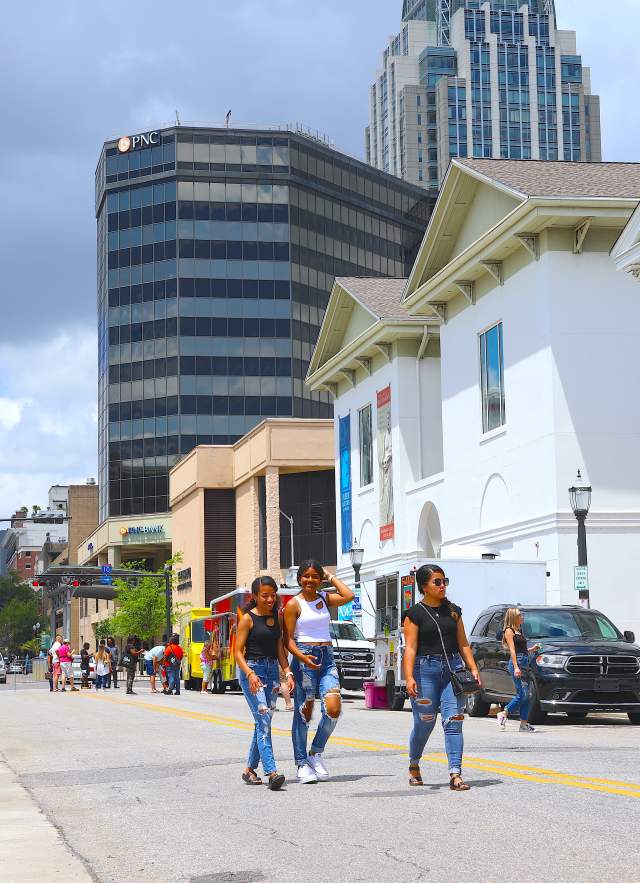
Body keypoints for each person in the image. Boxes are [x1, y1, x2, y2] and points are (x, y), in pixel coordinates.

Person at [403, 564, 481, 791]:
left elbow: (463, 643)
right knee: (424, 723)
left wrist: (473, 668)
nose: (442, 586)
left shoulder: (454, 611)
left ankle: (455, 774)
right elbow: (410, 649)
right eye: (437, 582)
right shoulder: (414, 614)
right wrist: (409, 677)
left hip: (452, 671)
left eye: (444, 581)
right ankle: (414, 764)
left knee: (454, 722)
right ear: (424, 586)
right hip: (424, 670)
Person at [284, 559, 354, 784]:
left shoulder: (324, 598)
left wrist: (329, 575)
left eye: (315, 576)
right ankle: (301, 763)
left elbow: (348, 595)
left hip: (327, 657)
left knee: (333, 708)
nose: (310, 580)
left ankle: (315, 753)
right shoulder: (294, 604)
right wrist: (301, 657)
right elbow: (287, 639)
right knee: (304, 713)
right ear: (299, 579)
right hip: (305, 657)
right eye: (306, 576)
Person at [234, 576, 293, 790]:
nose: (269, 599)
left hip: (271, 673)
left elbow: (280, 650)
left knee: (263, 722)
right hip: (253, 672)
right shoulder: (248, 619)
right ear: (255, 596)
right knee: (264, 721)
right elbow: (237, 653)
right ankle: (272, 772)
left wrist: (287, 672)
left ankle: (249, 769)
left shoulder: (277, 618)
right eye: (264, 595)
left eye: (272, 595)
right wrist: (250, 674)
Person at [497, 608, 541, 733]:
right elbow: (512, 650)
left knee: (528, 696)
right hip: (518, 663)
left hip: (525, 662)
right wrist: (516, 667)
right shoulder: (509, 631)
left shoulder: (519, 631)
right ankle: (504, 713)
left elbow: (522, 649)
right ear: (513, 617)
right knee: (522, 695)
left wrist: (533, 648)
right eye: (520, 615)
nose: (522, 617)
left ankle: (523, 724)